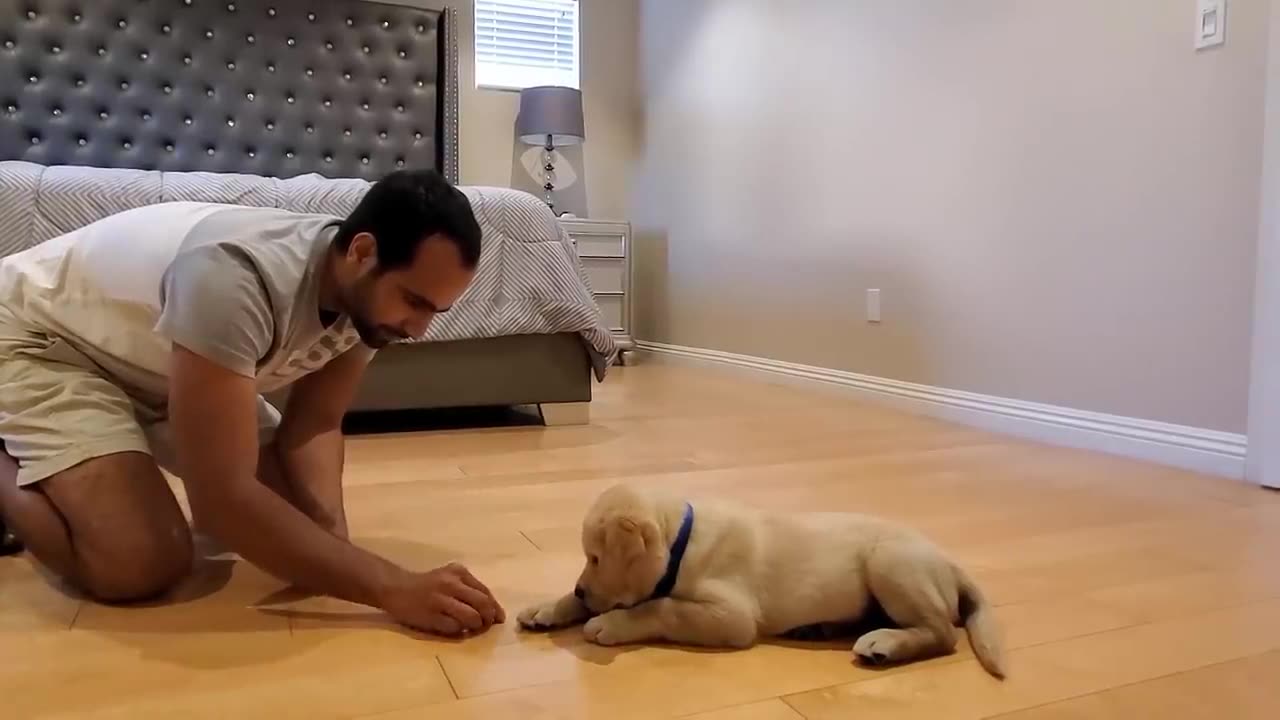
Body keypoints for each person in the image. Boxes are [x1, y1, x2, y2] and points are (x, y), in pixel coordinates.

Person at [0, 169, 505, 637]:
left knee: (304, 536)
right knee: (140, 562)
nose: (419, 329)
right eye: (415, 302)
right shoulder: (233, 278)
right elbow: (221, 501)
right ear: (362, 252)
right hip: (47, 343)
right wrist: (390, 587)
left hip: (157, 364)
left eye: (436, 310)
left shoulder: (366, 300)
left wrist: (331, 535)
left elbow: (317, 422)